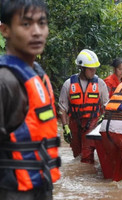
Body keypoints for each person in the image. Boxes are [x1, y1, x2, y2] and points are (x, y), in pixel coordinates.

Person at [0, 0, 61, 199]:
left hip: (40, 187)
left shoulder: (38, 76)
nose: (36, 32)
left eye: (42, 23)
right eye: (26, 24)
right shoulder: (4, 81)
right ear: (5, 30)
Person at [58, 49, 109, 164]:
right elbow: (62, 108)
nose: (94, 71)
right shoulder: (68, 84)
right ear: (82, 68)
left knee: (87, 156)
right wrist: (65, 127)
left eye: (95, 69)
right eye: (91, 69)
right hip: (75, 123)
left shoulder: (100, 84)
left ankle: (87, 176)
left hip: (92, 123)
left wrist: (103, 118)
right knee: (77, 154)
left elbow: (106, 105)